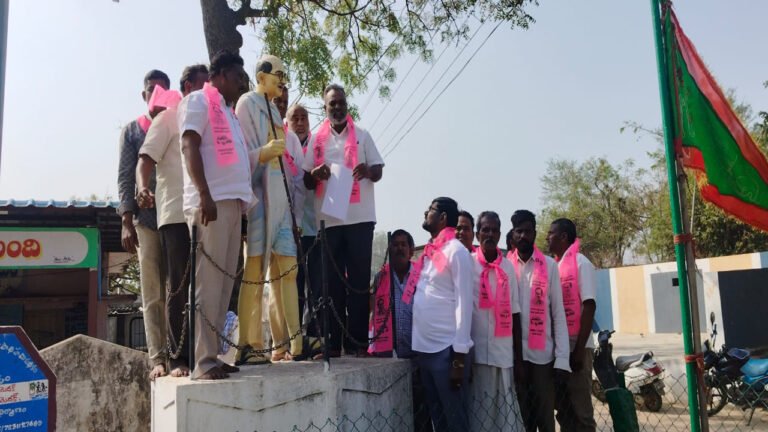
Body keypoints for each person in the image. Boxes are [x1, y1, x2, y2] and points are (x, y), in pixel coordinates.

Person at [179, 49, 253, 380]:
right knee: (208, 286)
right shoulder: (198, 101)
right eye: (238, 77)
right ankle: (202, 362)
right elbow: (189, 145)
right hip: (211, 205)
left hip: (232, 204)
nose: (242, 82)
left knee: (224, 286)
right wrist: (205, 194)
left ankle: (214, 354)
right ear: (220, 75)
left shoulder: (228, 111)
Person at [136, 64, 209, 378]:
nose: (209, 93)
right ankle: (178, 358)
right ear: (189, 86)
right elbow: (145, 159)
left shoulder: (209, 120)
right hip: (174, 213)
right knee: (177, 286)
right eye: (204, 86)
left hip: (205, 213)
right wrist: (142, 188)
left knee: (204, 286)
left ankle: (205, 356)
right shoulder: (167, 117)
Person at [302, 84, 384, 357]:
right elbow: (305, 179)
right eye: (331, 104)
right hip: (329, 221)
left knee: (359, 282)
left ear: (346, 105)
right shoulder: (316, 140)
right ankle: (333, 344)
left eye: (340, 103)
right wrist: (315, 172)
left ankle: (358, 344)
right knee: (331, 284)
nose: (337, 108)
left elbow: (379, 170)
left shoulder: (362, 135)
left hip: (360, 219)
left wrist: (368, 170)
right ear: (324, 109)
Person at [235, 54, 305, 363]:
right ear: (262, 75)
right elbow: (241, 160)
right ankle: (248, 343)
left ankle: (296, 341)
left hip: (282, 204)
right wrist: (262, 153)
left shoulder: (278, 116)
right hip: (260, 203)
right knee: (254, 273)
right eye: (279, 75)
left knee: (289, 270)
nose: (282, 82)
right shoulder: (246, 105)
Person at [117, 69, 170, 380]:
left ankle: (179, 352)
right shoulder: (132, 131)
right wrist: (126, 220)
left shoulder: (177, 124)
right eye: (152, 89)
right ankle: (158, 357)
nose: (157, 94)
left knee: (177, 291)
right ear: (144, 95)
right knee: (152, 293)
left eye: (163, 89)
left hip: (176, 219)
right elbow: (125, 176)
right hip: (146, 222)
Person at [412, 197, 473, 432]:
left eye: (431, 210)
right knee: (438, 422)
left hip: (447, 352)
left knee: (455, 421)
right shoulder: (431, 251)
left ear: (443, 218)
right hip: (425, 350)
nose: (426, 212)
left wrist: (459, 357)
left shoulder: (456, 251)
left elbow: (465, 303)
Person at [509, 210, 570, 432]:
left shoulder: (548, 265)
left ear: (534, 233)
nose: (523, 236)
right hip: (515, 358)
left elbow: (558, 314)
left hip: (543, 358)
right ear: (513, 234)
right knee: (521, 420)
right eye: (519, 231)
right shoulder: (506, 267)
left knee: (545, 421)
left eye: (527, 231)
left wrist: (562, 359)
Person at [368, 229, 433, 432]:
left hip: (418, 356)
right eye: (395, 244)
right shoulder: (381, 277)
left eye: (403, 244)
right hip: (391, 356)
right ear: (389, 248)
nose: (399, 248)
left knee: (421, 412)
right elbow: (371, 311)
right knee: (394, 412)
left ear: (411, 249)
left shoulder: (422, 276)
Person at [469, 211, 525, 431]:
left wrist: (518, 358)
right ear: (477, 234)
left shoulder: (507, 267)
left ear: (500, 234)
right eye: (485, 229)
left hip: (503, 355)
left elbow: (515, 313)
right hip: (477, 355)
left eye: (494, 230)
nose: (490, 234)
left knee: (504, 419)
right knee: (479, 415)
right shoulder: (468, 264)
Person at [547, 218, 597, 432]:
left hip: (578, 345)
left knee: (581, 410)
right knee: (564, 408)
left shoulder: (580, 263)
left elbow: (589, 305)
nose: (547, 237)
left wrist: (577, 351)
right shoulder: (555, 266)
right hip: (560, 347)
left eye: (551, 233)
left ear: (563, 237)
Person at [287, 103, 317, 337]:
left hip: (316, 227)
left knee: (317, 284)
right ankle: (294, 337)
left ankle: (316, 336)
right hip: (290, 228)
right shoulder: (285, 144)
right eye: (294, 118)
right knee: (294, 284)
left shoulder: (318, 144)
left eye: (303, 117)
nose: (299, 122)